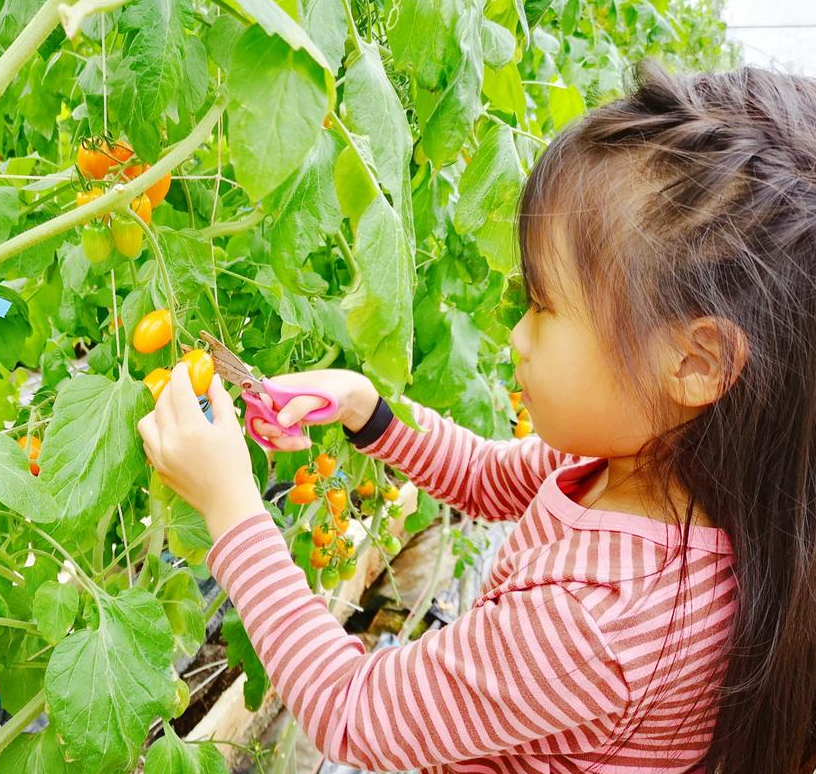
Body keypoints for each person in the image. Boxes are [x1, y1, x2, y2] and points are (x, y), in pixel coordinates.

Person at [137, 62, 816, 774]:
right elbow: (488, 476)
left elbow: (353, 710)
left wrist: (231, 506)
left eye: (544, 306)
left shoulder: (600, 618)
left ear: (696, 362)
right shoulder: (647, 471)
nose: (517, 338)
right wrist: (367, 411)